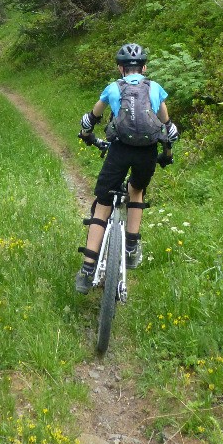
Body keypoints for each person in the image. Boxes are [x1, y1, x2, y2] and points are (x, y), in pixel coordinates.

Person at [75, 42, 178, 294]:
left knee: (103, 201)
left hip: (119, 151)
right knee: (136, 189)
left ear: (121, 68)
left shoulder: (113, 88)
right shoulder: (155, 88)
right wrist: (166, 154)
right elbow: (169, 128)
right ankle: (131, 246)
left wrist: (87, 134)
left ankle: (88, 268)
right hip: (146, 153)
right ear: (144, 67)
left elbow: (91, 118)